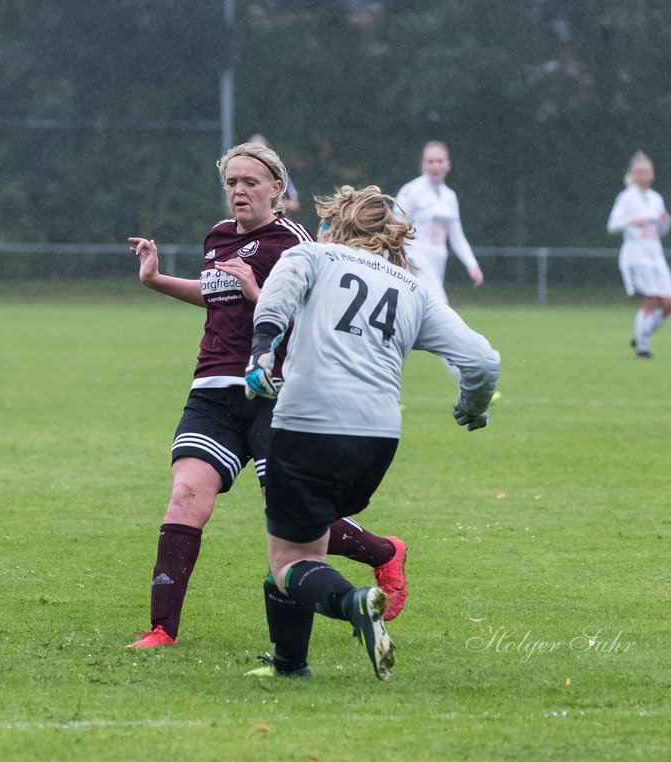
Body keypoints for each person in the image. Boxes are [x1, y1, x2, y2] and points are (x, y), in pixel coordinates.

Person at [125, 142, 408, 649]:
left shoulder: (295, 241)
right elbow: (216, 294)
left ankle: (384, 552)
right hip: (212, 389)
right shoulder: (216, 237)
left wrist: (261, 294)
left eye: (249, 182)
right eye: (231, 182)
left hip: (277, 395)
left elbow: (323, 323)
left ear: (277, 189)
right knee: (186, 498)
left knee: (289, 512)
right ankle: (162, 630)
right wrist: (156, 280)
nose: (238, 191)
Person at [243, 185, 500, 679]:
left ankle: (354, 603)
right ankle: (289, 665)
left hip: (308, 424)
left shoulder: (314, 254)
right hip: (376, 442)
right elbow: (483, 359)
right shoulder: (414, 288)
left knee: (288, 559)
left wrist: (261, 349)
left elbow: (277, 294)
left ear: (337, 223)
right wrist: (473, 407)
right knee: (307, 541)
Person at [606, 151, 671, 358]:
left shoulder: (656, 199)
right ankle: (642, 348)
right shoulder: (626, 198)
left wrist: (665, 220)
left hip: (655, 254)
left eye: (647, 172)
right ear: (632, 174)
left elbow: (662, 230)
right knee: (650, 300)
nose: (643, 175)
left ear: (652, 174)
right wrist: (630, 221)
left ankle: (641, 334)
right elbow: (612, 225)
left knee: (670, 303)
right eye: (639, 172)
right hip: (636, 255)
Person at [395, 141, 484, 301]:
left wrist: (472, 265)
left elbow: (456, 237)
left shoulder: (449, 196)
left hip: (438, 262)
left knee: (422, 312)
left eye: (440, 161)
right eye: (430, 161)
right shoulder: (412, 191)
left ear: (448, 164)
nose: (435, 165)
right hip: (416, 260)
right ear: (423, 165)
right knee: (440, 307)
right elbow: (395, 225)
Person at [248, 135, 300, 215]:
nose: (257, 156)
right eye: (253, 152)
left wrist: (270, 203)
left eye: (260, 152)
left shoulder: (279, 173)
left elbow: (294, 205)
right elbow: (230, 209)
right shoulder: (240, 174)